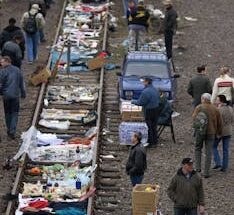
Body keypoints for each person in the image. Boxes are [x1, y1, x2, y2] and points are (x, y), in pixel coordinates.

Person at [192, 93, 223, 178]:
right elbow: (220, 122)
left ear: (203, 98)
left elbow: (194, 118)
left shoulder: (199, 107)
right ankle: (206, 172)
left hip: (200, 132)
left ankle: (198, 168)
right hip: (211, 132)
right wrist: (219, 133)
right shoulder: (215, 109)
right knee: (208, 151)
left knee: (198, 148)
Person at [0, 56, 26, 139]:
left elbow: (0, 84)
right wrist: (23, 93)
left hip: (6, 96)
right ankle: (12, 130)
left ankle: (9, 129)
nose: (1, 63)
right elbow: (21, 83)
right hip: (15, 95)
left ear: (7, 62)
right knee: (14, 113)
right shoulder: (17, 70)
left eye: (2, 62)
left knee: (7, 113)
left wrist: (1, 92)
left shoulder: (2, 72)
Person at [132, 77, 160, 146]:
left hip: (148, 110)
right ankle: (155, 141)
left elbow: (141, 102)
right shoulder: (155, 89)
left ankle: (151, 142)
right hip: (156, 109)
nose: (143, 82)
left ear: (147, 82)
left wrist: (132, 101)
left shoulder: (145, 92)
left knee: (149, 126)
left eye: (144, 81)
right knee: (154, 126)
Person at [213, 95, 233, 172]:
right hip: (229, 131)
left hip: (220, 132)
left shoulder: (219, 110)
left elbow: (217, 122)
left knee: (213, 146)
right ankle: (225, 167)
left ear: (221, 101)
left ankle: (218, 162)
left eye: (217, 100)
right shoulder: (230, 108)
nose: (216, 101)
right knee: (225, 149)